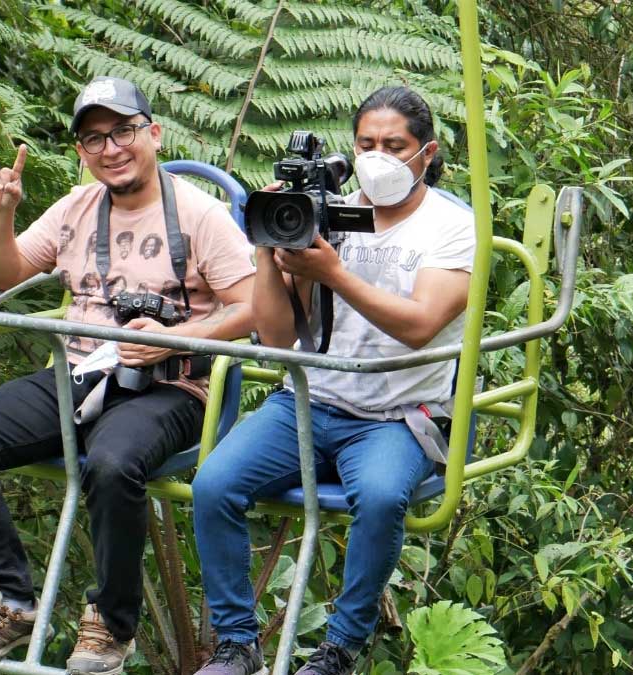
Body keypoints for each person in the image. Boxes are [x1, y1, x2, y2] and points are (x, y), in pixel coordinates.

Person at [0, 75, 256, 675]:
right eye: (94, 138)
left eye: (123, 131)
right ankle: (7, 601)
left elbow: (253, 306)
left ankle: (112, 622)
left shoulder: (201, 215)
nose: (111, 148)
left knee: (111, 460)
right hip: (81, 369)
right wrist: (0, 214)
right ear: (81, 152)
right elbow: (3, 277)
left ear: (152, 133)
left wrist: (173, 339)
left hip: (171, 384)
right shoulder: (75, 208)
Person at [190, 86, 476, 675]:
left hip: (399, 416)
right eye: (366, 143)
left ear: (428, 152)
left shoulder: (452, 227)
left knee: (379, 497)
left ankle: (338, 649)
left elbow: (420, 327)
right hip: (308, 401)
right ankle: (236, 644)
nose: (378, 157)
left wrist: (334, 273)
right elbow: (276, 337)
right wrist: (271, 252)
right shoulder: (325, 214)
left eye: (394, 146)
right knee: (213, 484)